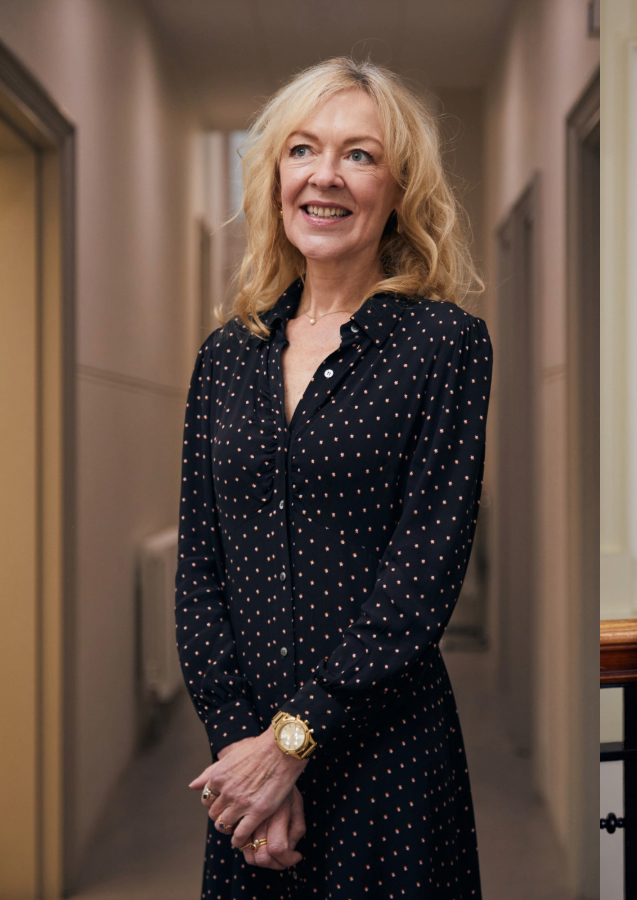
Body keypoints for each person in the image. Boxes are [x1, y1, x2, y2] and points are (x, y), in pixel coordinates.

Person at [175, 57, 490, 898]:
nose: (326, 175)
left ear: (398, 188)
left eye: (359, 155)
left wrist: (292, 744)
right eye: (303, 149)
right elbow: (200, 571)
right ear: (275, 174)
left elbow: (422, 580)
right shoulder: (225, 358)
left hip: (387, 758)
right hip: (243, 776)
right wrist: (248, 755)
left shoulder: (444, 346)